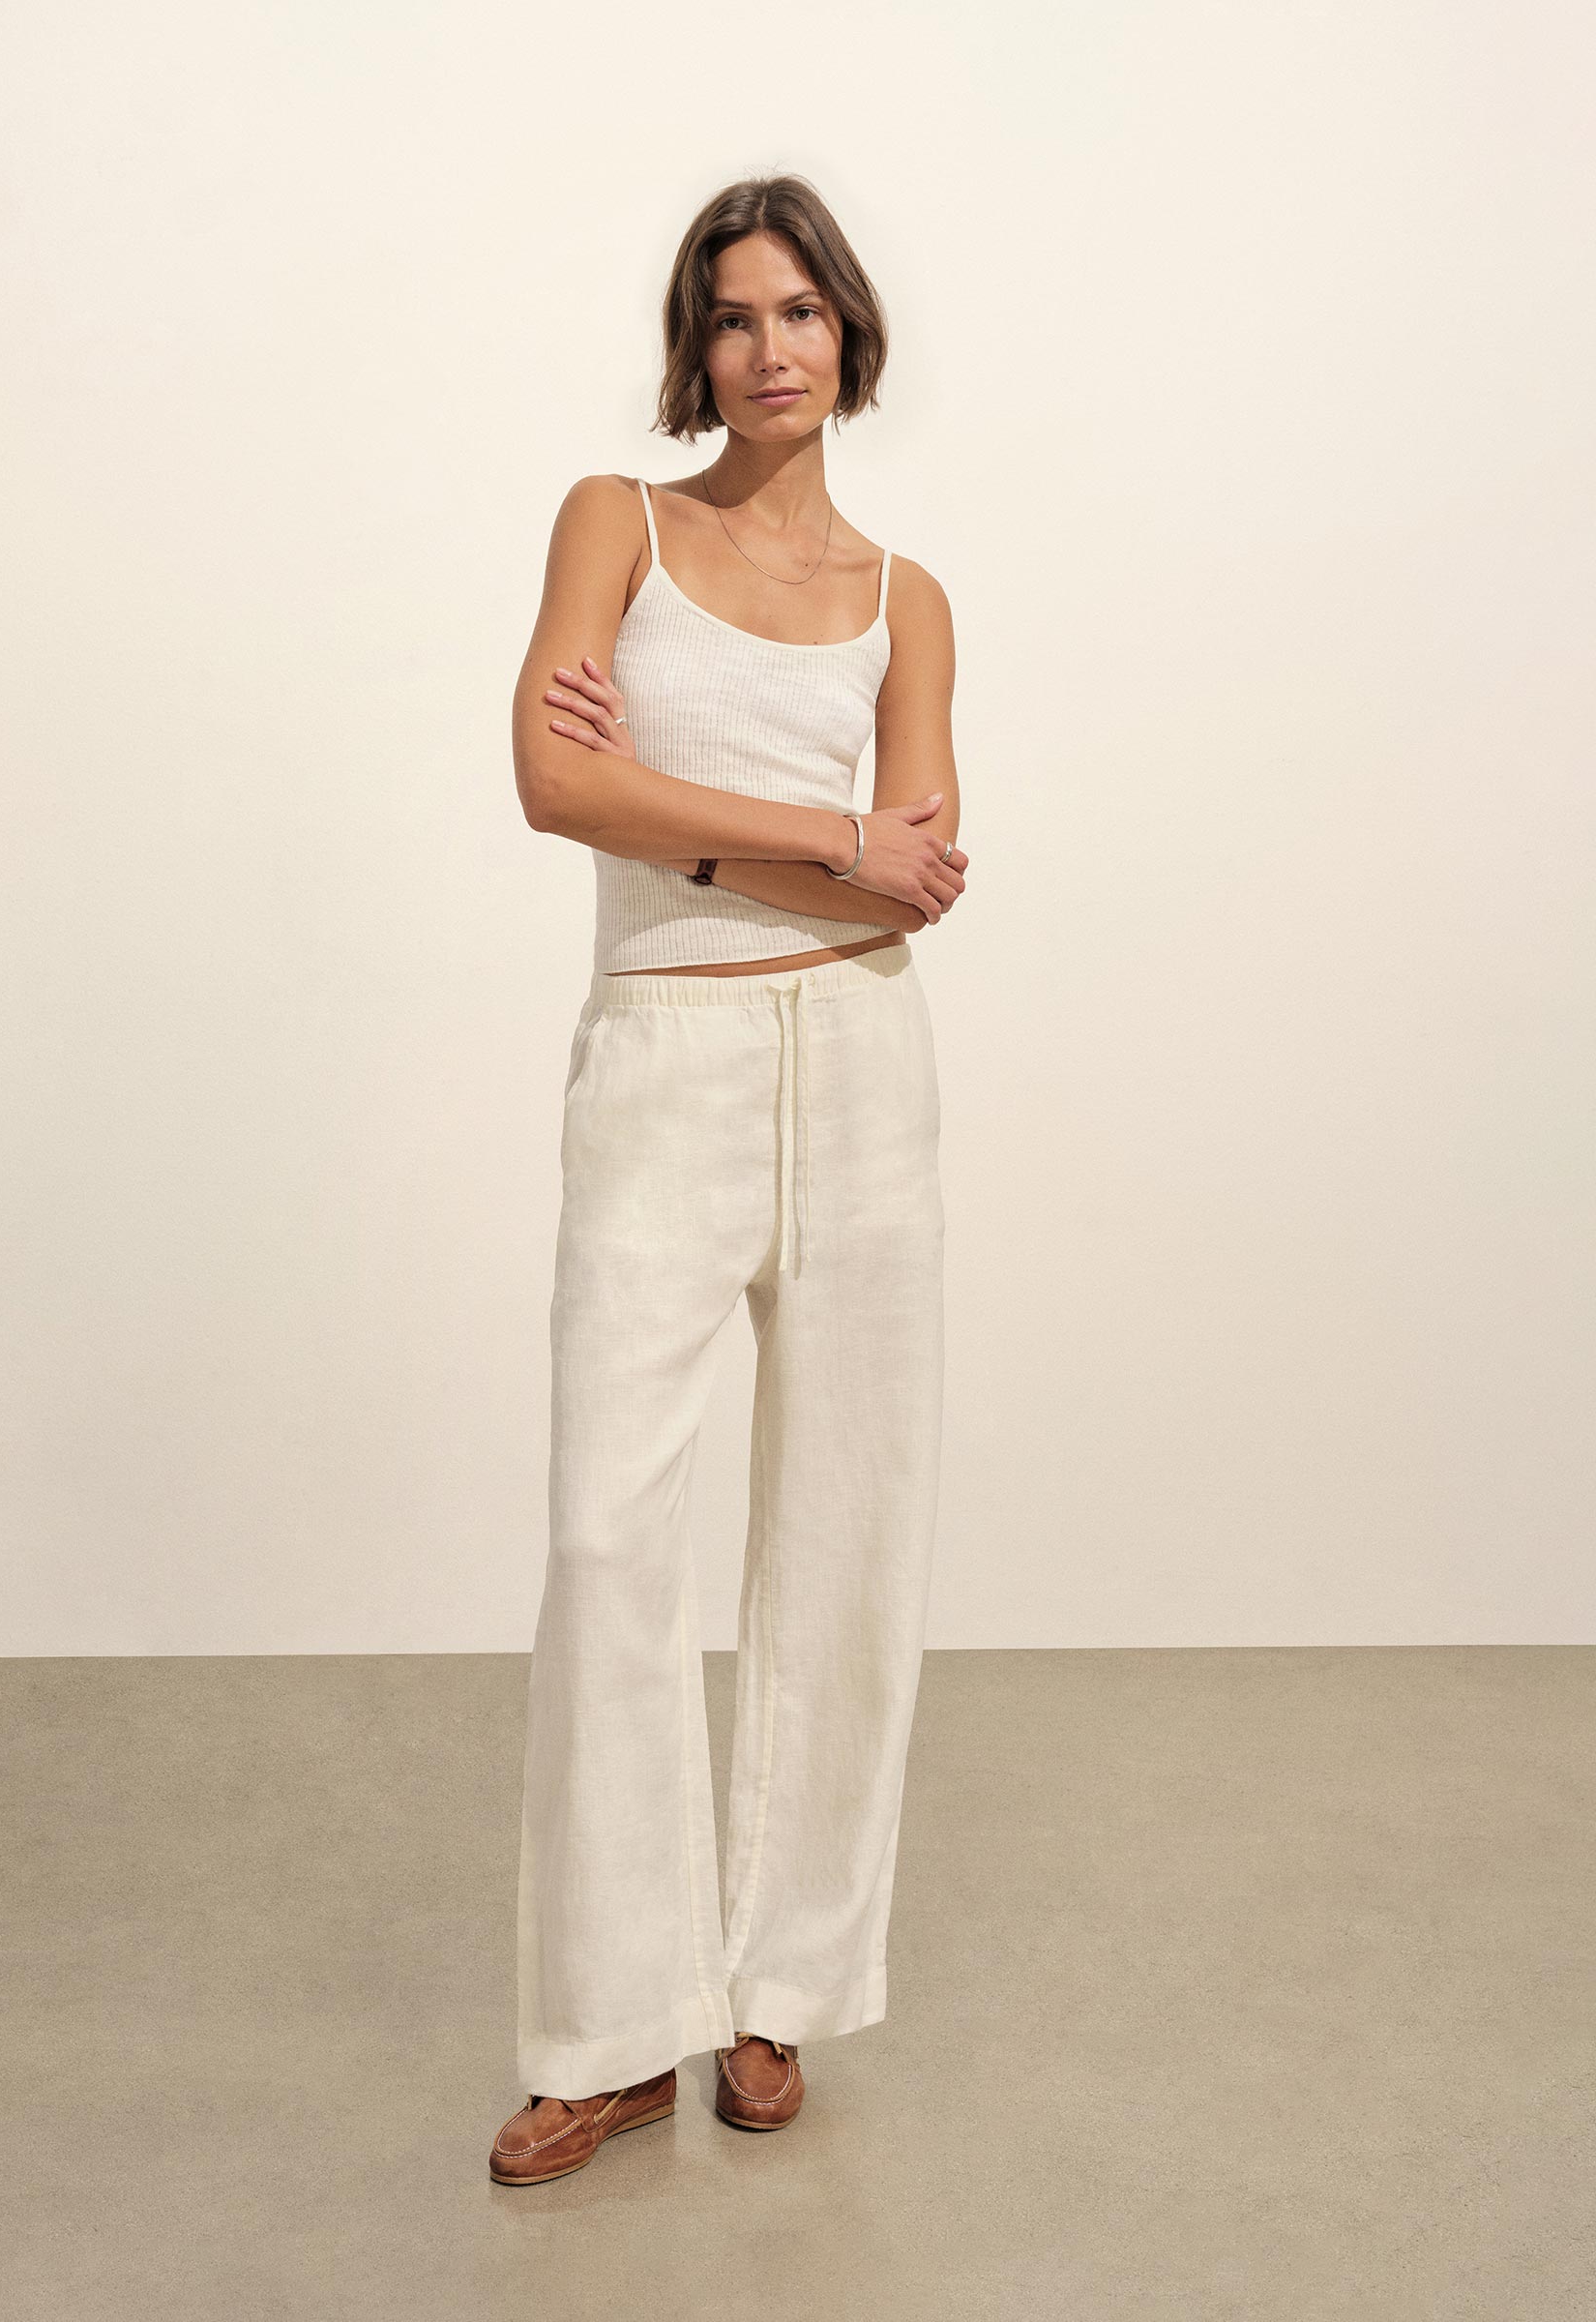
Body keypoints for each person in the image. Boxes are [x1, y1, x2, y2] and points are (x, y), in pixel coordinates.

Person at [489, 172, 968, 2188]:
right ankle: (608, 2031)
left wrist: (692, 822)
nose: (772, 349)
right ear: (696, 346)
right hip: (665, 1060)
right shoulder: (619, 522)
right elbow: (552, 782)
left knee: (848, 1535)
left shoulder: (906, 598)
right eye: (735, 315)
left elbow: (923, 880)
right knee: (611, 1537)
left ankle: (780, 1991)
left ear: (850, 334)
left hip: (861, 1064)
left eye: (803, 312)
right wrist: (817, 836)